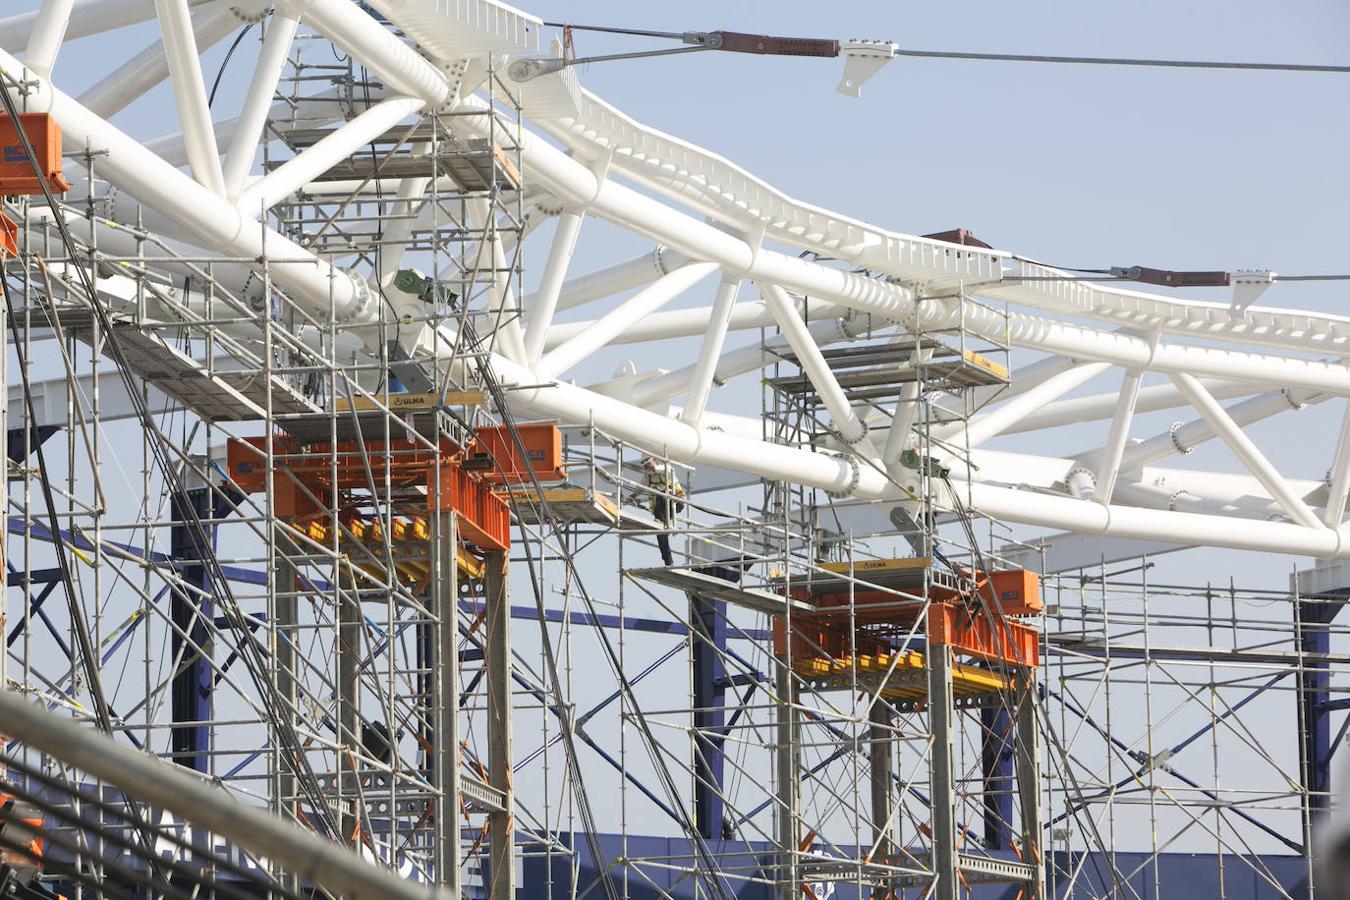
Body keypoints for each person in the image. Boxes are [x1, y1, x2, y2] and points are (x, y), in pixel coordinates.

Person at [642, 457, 685, 565]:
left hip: (675, 502)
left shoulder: (666, 468)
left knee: (661, 495)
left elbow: (665, 468)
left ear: (654, 462)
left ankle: (665, 521)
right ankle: (668, 561)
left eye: (649, 464)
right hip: (661, 510)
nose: (648, 468)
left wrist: (654, 467)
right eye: (646, 466)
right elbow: (640, 487)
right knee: (660, 534)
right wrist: (631, 497)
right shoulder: (647, 476)